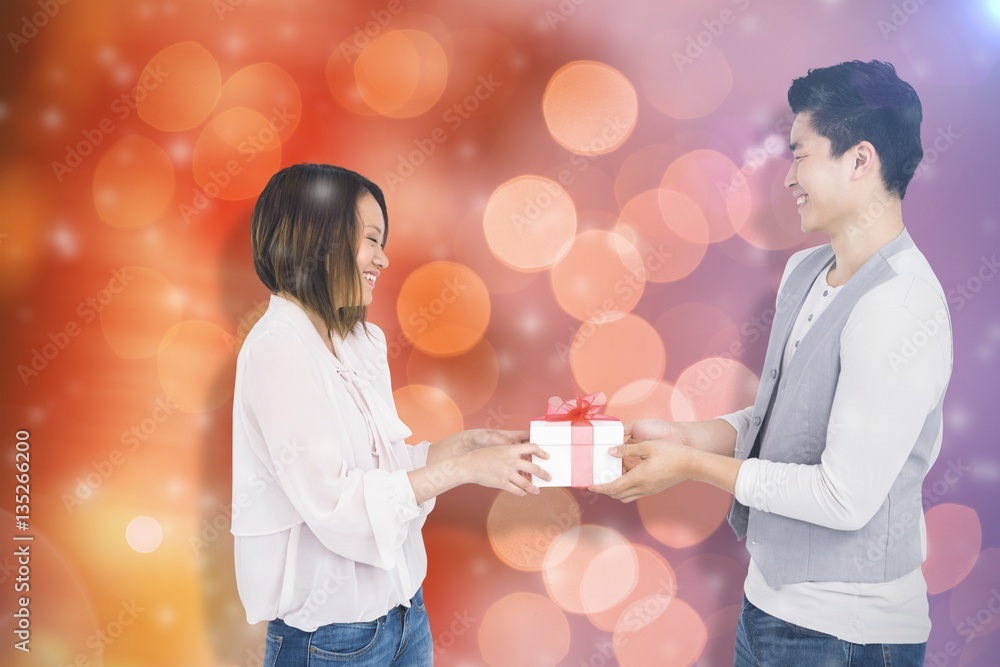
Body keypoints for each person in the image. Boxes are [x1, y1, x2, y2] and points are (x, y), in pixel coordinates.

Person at [592, 60, 951, 666]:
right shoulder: (805, 272)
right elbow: (781, 421)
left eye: (801, 154)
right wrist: (683, 436)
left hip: (848, 633)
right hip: (767, 610)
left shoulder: (900, 305)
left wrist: (690, 465)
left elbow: (844, 497)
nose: (789, 179)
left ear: (861, 160)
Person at [230, 163, 550, 666]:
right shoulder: (279, 350)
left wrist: (469, 447)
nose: (382, 258)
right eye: (371, 239)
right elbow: (336, 505)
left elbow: (387, 476)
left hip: (405, 617)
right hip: (333, 642)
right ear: (320, 238)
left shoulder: (355, 339)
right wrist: (461, 471)